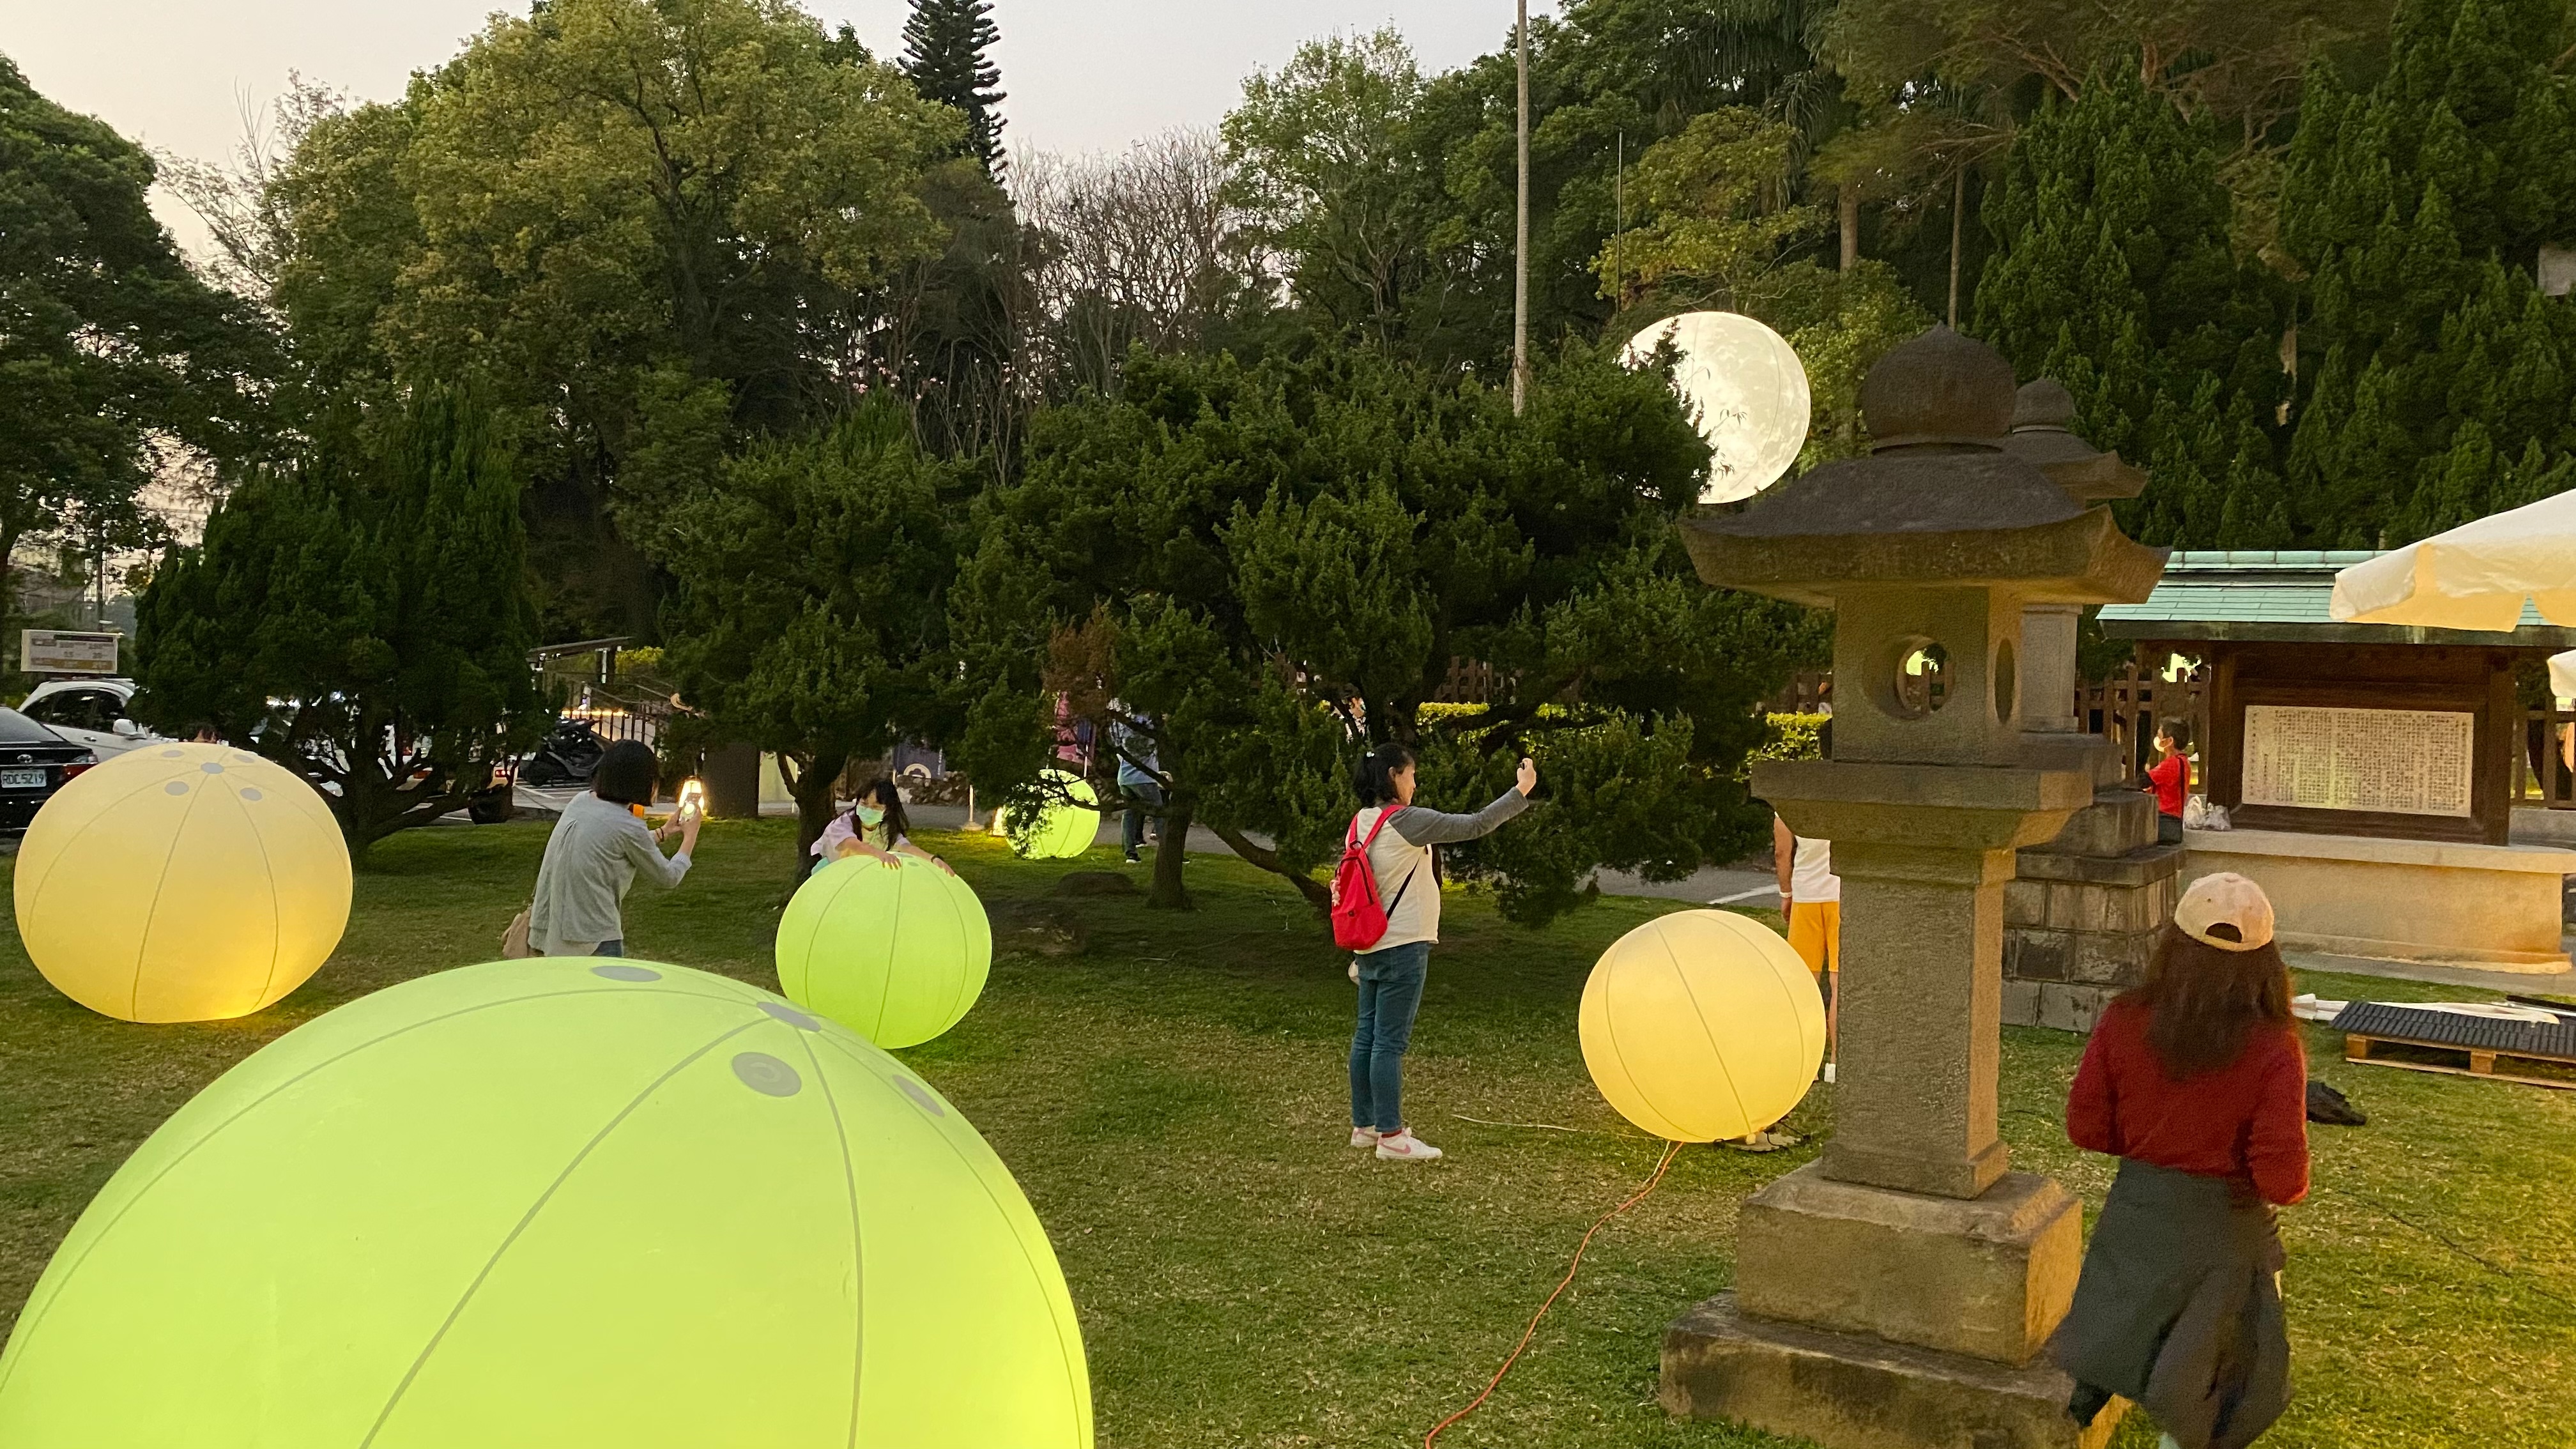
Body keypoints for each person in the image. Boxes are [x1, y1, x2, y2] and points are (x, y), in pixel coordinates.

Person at [2054, 873, 2308, 1449]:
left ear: (2173, 943)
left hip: (2138, 1220)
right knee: (2205, 1391)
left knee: (2133, 1343)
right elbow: (2282, 1180)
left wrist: (2154, 1144)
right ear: (2266, 961)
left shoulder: (2126, 1018)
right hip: (2223, 1237)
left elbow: (2086, 1127)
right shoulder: (2273, 1046)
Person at [1342, 745, 1538, 1163]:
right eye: (1411, 775)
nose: (1415, 783)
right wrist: (1521, 791)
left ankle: (1366, 1125)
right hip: (1403, 943)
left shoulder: (1360, 822)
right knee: (1389, 1044)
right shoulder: (1408, 821)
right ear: (1394, 775)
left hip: (1369, 942)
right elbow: (1476, 824)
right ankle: (1392, 1137)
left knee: (1367, 1035)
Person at [527, 740, 699, 958]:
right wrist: (690, 836)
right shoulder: (628, 826)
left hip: (551, 929)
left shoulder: (581, 802)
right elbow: (668, 877)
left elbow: (610, 840)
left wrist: (663, 832)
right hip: (594, 938)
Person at [1774, 813, 1838, 1066]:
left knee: (1805, 984)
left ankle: (1808, 1064)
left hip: (1805, 896)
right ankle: (1835, 1061)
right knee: (1838, 983)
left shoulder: (1787, 807)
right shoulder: (1841, 799)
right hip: (1839, 894)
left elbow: (1782, 852)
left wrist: (1786, 893)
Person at [811, 777, 950, 874]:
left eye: (876, 807)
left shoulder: (886, 830)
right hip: (831, 872)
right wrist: (879, 854)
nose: (868, 810)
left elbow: (906, 848)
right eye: (864, 804)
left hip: (861, 876)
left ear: (887, 810)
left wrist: (933, 859)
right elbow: (852, 844)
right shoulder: (844, 823)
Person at [1112, 711, 1163, 865]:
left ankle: (1130, 853)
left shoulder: (1122, 725)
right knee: (1159, 812)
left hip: (1125, 777)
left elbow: (1118, 751)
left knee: (1129, 814)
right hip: (1144, 777)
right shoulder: (1148, 726)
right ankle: (1168, 848)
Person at [2144, 721, 2191, 844]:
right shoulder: (2183, 762)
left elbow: (2144, 781)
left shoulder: (2171, 764)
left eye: (2159, 736)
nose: (2157, 739)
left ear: (2169, 741)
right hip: (2174, 819)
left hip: (2163, 819)